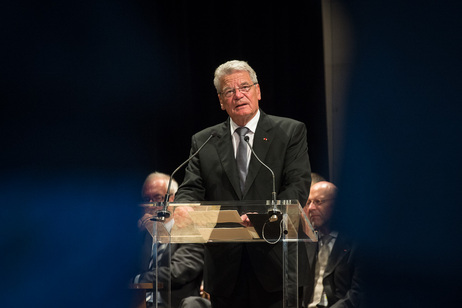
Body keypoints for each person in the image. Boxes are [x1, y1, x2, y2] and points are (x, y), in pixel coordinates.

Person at [174, 60, 312, 308]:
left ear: (257, 91)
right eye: (229, 91)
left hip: (276, 265)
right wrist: (182, 207)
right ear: (221, 100)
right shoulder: (205, 140)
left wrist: (267, 215)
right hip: (226, 270)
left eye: (244, 87)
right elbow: (191, 187)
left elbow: (297, 185)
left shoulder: (290, 131)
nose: (238, 95)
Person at [134, 172, 205, 308]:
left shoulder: (191, 230)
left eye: (157, 197)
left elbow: (178, 272)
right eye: (146, 199)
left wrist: (138, 280)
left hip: (174, 303)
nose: (150, 204)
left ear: (172, 198)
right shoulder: (144, 232)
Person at [302, 181, 362, 308]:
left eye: (318, 202)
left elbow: (358, 294)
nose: (311, 208)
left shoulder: (357, 243)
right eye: (309, 202)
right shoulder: (308, 242)